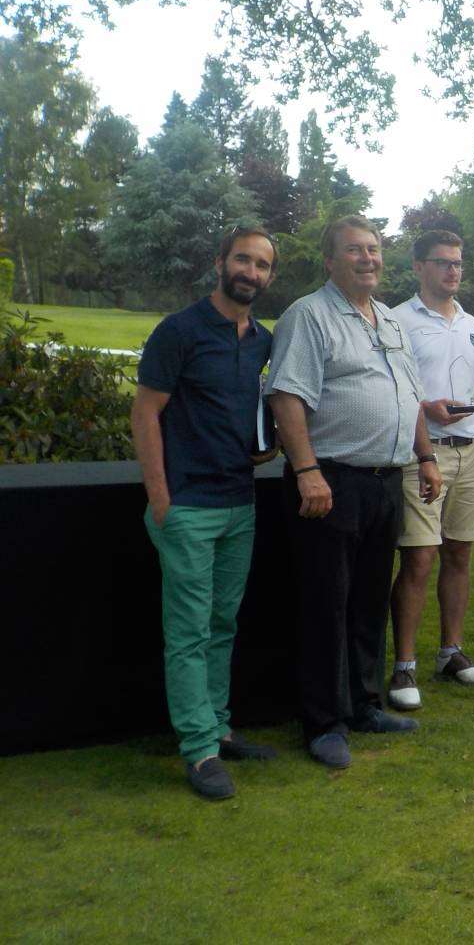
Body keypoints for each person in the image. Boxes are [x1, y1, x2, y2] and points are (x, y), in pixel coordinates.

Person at [266, 215, 443, 769]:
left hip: (385, 482)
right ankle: (324, 722)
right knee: (326, 603)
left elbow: (406, 393)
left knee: (368, 600)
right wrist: (306, 470)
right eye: (354, 251)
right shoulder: (309, 316)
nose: (368, 258)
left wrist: (426, 455)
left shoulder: (388, 320)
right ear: (330, 261)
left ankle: (363, 703)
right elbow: (286, 398)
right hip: (331, 482)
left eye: (373, 249)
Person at [132, 227, 280, 800]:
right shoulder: (180, 330)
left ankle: (218, 727)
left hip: (238, 503)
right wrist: (161, 499)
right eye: (242, 258)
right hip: (188, 508)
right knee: (190, 633)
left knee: (222, 625)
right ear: (221, 262)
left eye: (262, 264)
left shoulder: (263, 340)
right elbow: (145, 415)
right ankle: (198, 750)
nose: (251, 270)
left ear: (268, 277)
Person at [387, 230, 474, 711]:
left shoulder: (472, 324)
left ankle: (451, 652)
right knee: (419, 557)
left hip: (471, 451)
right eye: (442, 263)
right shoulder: (397, 321)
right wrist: (425, 410)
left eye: (458, 263)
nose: (453, 271)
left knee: (460, 553)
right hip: (425, 453)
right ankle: (404, 664)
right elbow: (395, 391)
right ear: (419, 267)